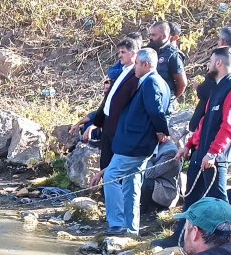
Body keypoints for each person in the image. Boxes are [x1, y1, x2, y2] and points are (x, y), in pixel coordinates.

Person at [102, 48, 171, 236]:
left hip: (135, 144)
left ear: (146, 64)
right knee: (131, 183)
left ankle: (117, 224)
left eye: (137, 64)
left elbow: (156, 111)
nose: (134, 68)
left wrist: (162, 131)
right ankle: (131, 228)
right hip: (138, 143)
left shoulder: (152, 83)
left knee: (111, 176)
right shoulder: (159, 82)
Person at [177, 47, 231, 204]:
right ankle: (186, 229)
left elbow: (228, 127)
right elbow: (204, 122)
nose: (208, 65)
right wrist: (188, 146)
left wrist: (213, 153)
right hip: (200, 154)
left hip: (215, 158)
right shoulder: (216, 88)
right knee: (192, 200)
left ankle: (226, 229)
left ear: (219, 63)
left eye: (210, 61)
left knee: (217, 201)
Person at [77, 38, 142, 179]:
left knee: (115, 167)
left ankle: (113, 196)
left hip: (119, 127)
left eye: (123, 52)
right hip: (107, 124)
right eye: (119, 52)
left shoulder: (136, 75)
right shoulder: (122, 71)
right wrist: (96, 123)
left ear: (133, 53)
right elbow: (108, 100)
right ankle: (106, 195)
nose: (119, 55)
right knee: (105, 161)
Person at [146, 22, 186, 106]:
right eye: (150, 35)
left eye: (154, 35)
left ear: (164, 36)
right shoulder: (151, 50)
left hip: (163, 102)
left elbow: (182, 83)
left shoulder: (173, 55)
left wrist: (169, 99)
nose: (150, 38)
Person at [141, 136, 180, 214]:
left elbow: (150, 174)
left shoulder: (170, 152)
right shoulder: (157, 145)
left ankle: (150, 209)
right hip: (157, 182)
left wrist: (147, 157)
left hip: (165, 190)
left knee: (147, 183)